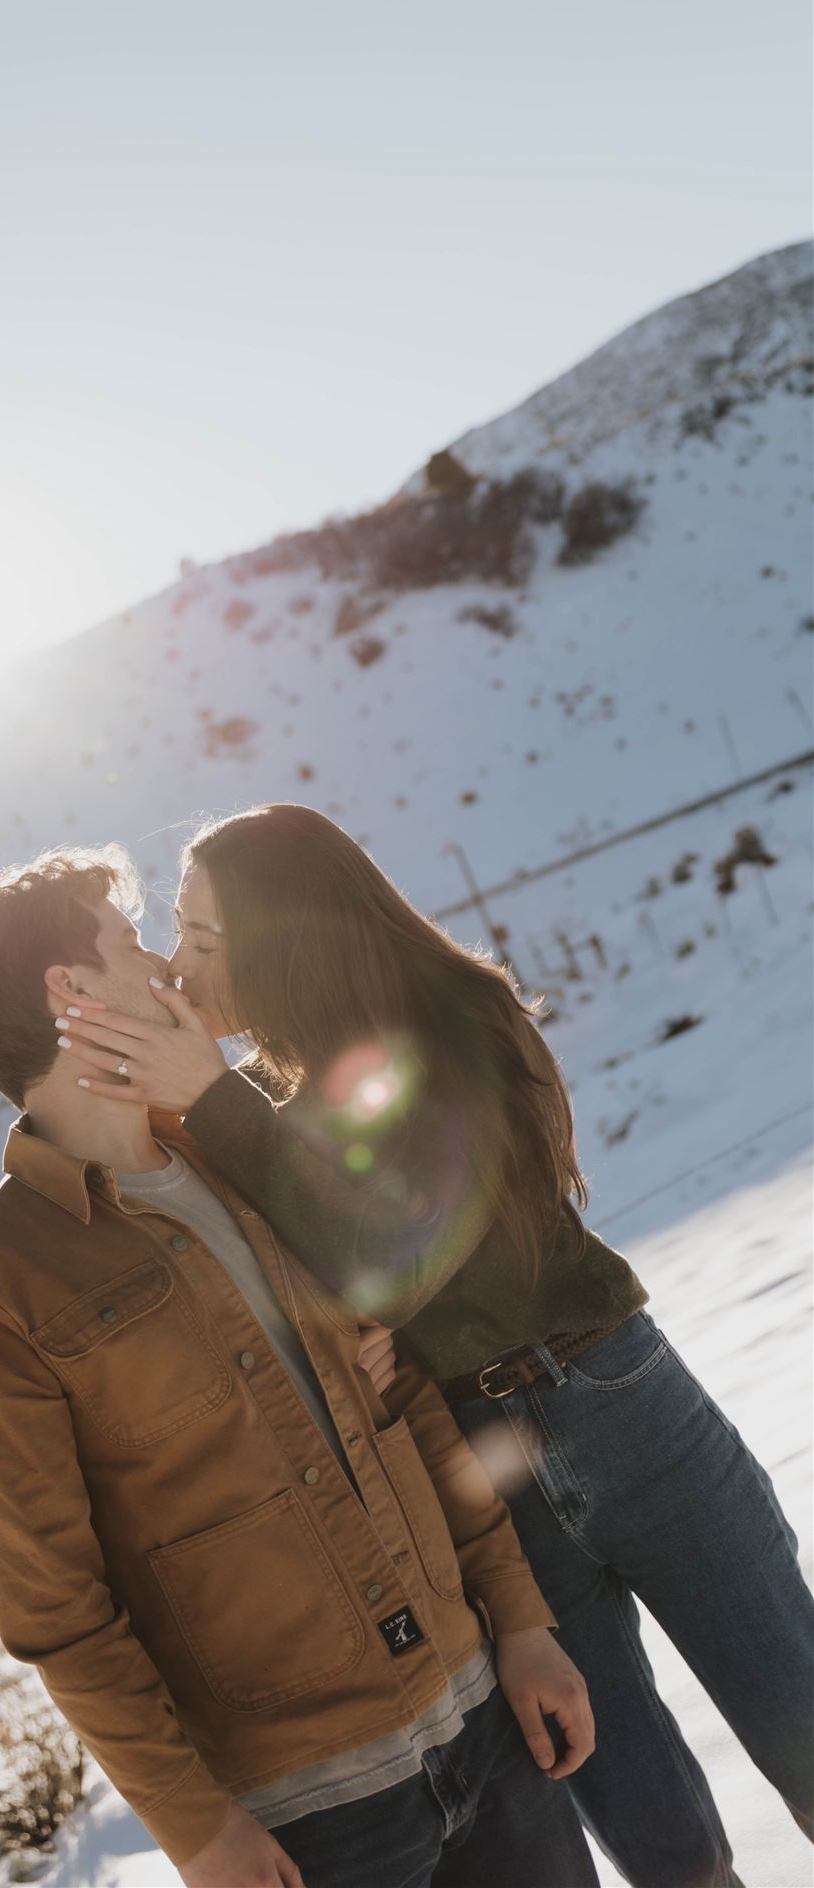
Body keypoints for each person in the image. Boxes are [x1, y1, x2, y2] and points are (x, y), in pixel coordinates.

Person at [65, 801, 814, 1888]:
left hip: (617, 1399)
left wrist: (221, 1109)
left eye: (208, 942)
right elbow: (326, 1287)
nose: (181, 966)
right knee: (661, 1836)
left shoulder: (448, 1017)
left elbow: (397, 1257)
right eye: (180, 935)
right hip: (480, 1460)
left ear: (291, 944)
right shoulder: (277, 1106)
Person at [0, 845, 600, 1888]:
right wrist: (194, 1828)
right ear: (72, 990)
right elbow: (58, 1608)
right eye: (132, 942)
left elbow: (401, 1387)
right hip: (314, 1818)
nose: (165, 967)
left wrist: (522, 1617)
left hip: (484, 1719)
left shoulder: (243, 1153)